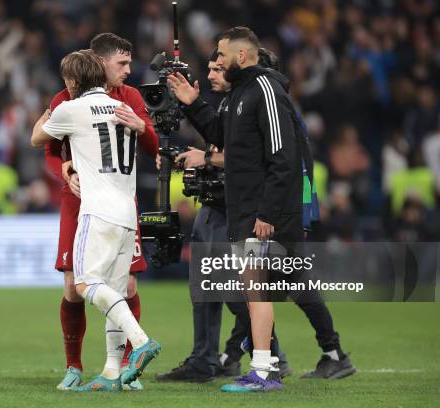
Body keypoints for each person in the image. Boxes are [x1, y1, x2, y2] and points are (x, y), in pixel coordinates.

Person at [169, 26, 303, 392]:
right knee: (251, 291)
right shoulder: (237, 95)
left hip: (262, 213)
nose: (216, 59)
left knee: (255, 290)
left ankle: (266, 370)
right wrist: (190, 102)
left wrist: (267, 214)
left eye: (221, 53)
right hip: (244, 210)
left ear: (241, 56)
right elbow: (221, 135)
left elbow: (283, 158)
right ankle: (265, 368)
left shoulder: (265, 89)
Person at [31, 49, 161, 392]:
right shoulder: (126, 109)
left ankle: (141, 341)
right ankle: (111, 372)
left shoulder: (70, 109)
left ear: (72, 81)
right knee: (116, 288)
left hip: (97, 209)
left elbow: (36, 138)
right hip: (126, 211)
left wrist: (52, 108)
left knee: (85, 284)